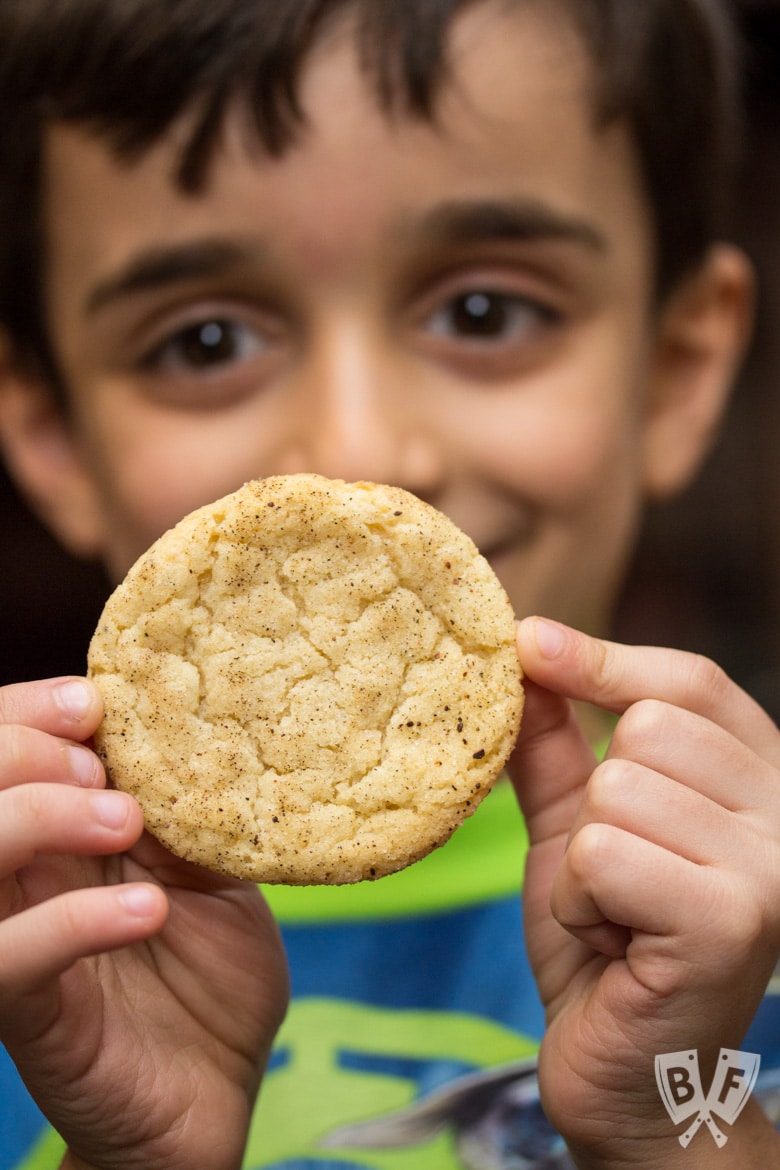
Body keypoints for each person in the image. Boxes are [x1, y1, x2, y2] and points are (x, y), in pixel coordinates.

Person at [0, 0, 777, 1166]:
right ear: (52, 433)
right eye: (206, 341)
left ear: (674, 370)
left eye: (485, 312)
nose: (360, 454)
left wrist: (675, 1112)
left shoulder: (745, 908)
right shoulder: (32, 952)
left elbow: (708, 1114)